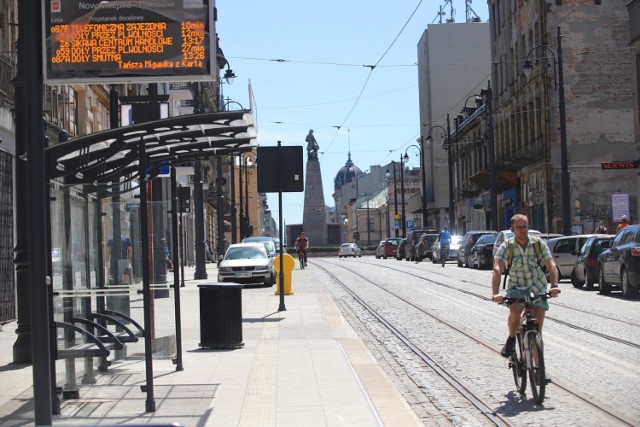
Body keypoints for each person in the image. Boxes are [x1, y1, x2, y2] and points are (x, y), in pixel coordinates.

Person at [491, 214, 560, 357]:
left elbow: (551, 264)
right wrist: (496, 292)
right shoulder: (507, 246)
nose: (522, 230)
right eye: (519, 227)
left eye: (525, 227)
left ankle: (539, 371)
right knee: (515, 311)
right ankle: (511, 339)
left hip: (537, 287)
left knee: (537, 331)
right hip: (517, 287)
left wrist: (554, 285)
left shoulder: (538, 243)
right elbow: (498, 268)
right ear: (512, 229)